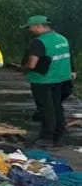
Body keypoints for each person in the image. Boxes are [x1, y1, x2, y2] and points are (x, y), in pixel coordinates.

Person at [18, 15, 73, 148]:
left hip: (43, 80)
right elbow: (67, 58)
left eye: (30, 27)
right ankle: (60, 136)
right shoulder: (62, 38)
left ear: (39, 26)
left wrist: (22, 68)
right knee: (57, 107)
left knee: (46, 109)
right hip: (61, 78)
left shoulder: (38, 42)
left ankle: (47, 138)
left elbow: (32, 64)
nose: (30, 30)